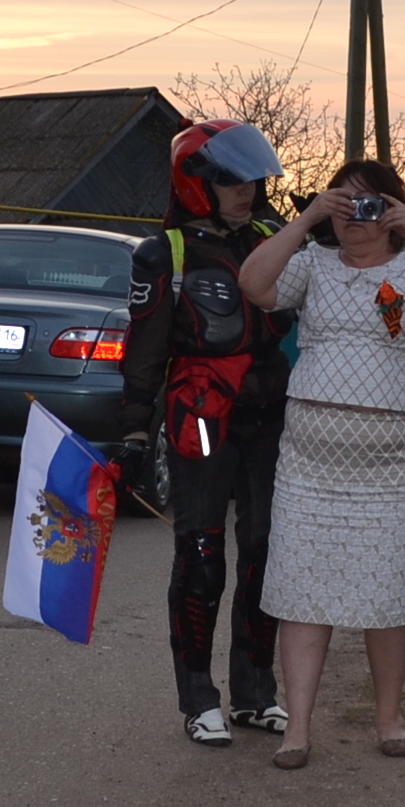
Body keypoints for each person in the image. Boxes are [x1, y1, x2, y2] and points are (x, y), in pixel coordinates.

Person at [235, 158, 405, 767]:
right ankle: (299, 730)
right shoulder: (312, 265)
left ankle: (389, 720)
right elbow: (255, 286)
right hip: (310, 468)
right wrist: (306, 218)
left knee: (388, 592)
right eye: (342, 205)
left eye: (367, 205)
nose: (354, 218)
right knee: (301, 592)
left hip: (393, 472)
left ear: (393, 212)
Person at [119, 121, 296, 746]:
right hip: (199, 413)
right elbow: (141, 354)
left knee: (267, 553)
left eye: (251, 178)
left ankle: (255, 694)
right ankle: (199, 699)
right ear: (197, 183)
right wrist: (133, 438)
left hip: (271, 412)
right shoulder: (162, 253)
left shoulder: (277, 238)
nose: (246, 190)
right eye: (229, 180)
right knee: (200, 554)